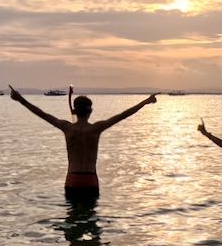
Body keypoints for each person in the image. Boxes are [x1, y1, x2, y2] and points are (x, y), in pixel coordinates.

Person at [9, 84, 158, 198]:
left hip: (73, 179)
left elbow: (41, 114)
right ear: (90, 111)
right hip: (91, 179)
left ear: (74, 111)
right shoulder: (97, 129)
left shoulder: (67, 128)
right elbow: (123, 115)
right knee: (92, 226)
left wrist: (20, 99)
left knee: (72, 226)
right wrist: (145, 102)